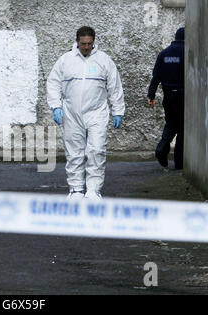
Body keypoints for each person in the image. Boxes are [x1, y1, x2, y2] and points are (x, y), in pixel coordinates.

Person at [47, 26, 125, 201]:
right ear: (77, 41)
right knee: (74, 152)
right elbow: (53, 83)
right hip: (72, 113)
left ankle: (93, 189)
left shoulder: (104, 61)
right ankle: (76, 188)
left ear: (94, 42)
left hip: (97, 112)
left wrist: (118, 110)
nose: (86, 47)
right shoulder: (65, 60)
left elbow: (114, 86)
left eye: (89, 44)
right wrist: (55, 106)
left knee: (96, 150)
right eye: (83, 44)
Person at [148, 27, 185, 170]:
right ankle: (179, 163)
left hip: (168, 96)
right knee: (182, 128)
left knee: (170, 124)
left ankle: (161, 149)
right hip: (184, 95)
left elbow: (156, 77)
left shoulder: (164, 54)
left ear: (175, 37)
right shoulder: (187, 52)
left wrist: (151, 95)